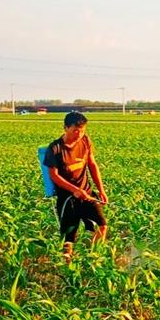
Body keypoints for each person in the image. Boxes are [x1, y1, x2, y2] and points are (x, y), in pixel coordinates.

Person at [42, 111, 108, 262]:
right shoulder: (55, 149)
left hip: (87, 193)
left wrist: (101, 190)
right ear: (65, 128)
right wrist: (75, 190)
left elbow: (92, 164)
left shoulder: (85, 141)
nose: (79, 134)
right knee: (69, 239)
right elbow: (54, 176)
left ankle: (93, 260)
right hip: (67, 198)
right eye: (75, 131)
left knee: (102, 226)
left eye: (82, 130)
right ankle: (68, 268)